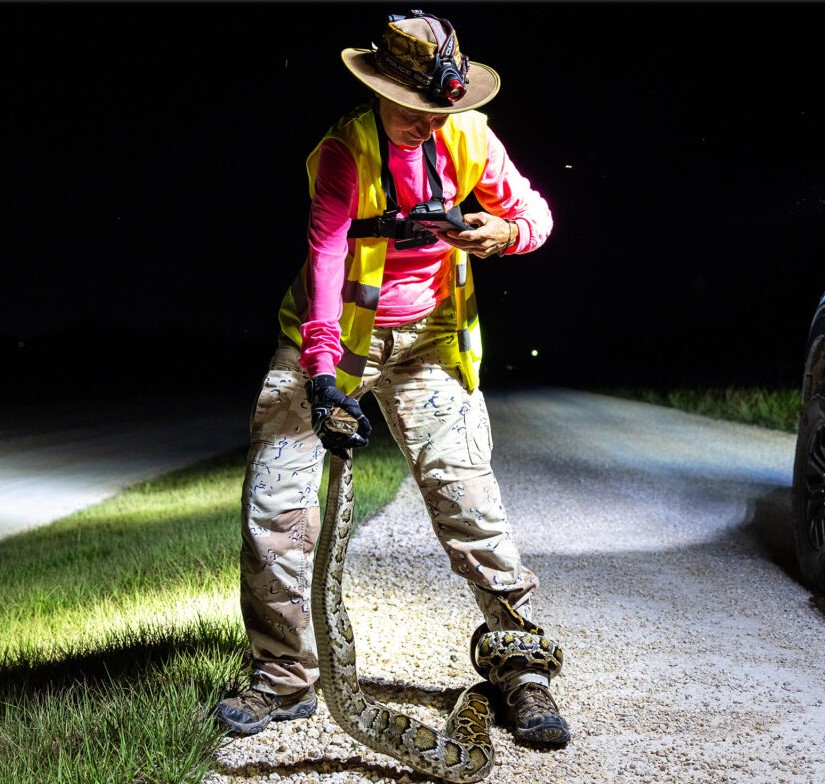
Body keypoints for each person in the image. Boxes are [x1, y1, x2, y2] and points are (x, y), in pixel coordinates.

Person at [212, 9, 568, 748]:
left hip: (430, 339)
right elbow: (325, 262)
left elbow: (536, 213)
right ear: (380, 89)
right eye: (412, 108)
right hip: (333, 339)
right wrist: (319, 379)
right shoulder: (346, 152)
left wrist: (506, 233)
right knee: (275, 504)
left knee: (466, 497)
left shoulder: (470, 135)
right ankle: (283, 679)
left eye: (440, 109)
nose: (427, 123)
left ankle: (520, 666)